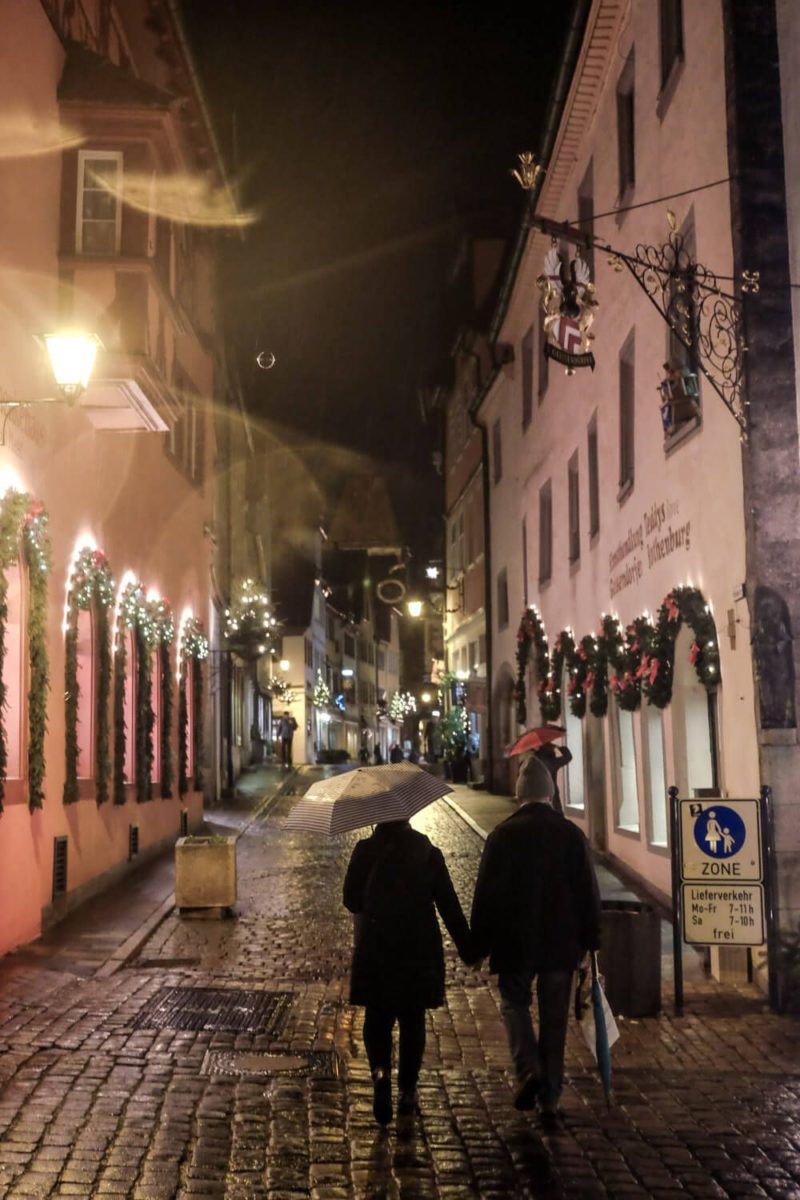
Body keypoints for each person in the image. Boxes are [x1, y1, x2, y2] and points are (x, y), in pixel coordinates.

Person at [470, 754, 601, 1128]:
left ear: (519, 795)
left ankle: (528, 1068)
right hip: (562, 943)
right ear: (550, 794)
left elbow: (486, 897)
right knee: (555, 1018)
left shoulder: (502, 835)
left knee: (514, 1003)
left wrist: (478, 945)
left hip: (515, 941)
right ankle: (551, 1097)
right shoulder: (571, 835)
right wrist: (592, 944)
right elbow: (587, 893)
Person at [343, 819, 474, 1125]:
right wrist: (470, 949)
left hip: (376, 947)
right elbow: (449, 906)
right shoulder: (426, 850)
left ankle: (379, 1075)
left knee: (377, 1018)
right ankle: (408, 1091)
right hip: (417, 950)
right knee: (412, 1020)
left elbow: (350, 900)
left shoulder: (365, 850)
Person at [535, 741, 573, 815]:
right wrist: (559, 747)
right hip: (552, 792)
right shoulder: (552, 762)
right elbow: (568, 757)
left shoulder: (535, 760)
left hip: (538, 793)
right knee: (557, 814)